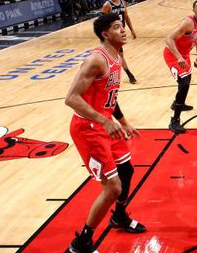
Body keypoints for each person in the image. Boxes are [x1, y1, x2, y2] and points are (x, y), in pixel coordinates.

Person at [65, 13, 145, 253]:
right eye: (117, 27)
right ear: (105, 34)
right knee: (113, 188)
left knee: (126, 170)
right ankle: (81, 243)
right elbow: (71, 98)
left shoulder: (116, 56)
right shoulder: (96, 60)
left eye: (122, 26)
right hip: (88, 128)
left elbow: (109, 94)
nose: (123, 30)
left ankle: (118, 216)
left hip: (106, 124)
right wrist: (103, 120)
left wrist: (123, 121)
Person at [163, 0, 197, 134]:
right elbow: (168, 39)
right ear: (193, 10)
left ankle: (177, 103)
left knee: (186, 83)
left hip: (184, 55)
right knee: (184, 84)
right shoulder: (188, 23)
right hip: (173, 55)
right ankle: (174, 121)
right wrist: (179, 57)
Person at [101, 0, 138, 84]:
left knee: (116, 55)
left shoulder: (123, 2)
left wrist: (132, 30)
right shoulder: (107, 5)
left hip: (120, 33)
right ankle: (129, 75)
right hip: (111, 34)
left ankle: (107, 74)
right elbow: (102, 21)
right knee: (118, 55)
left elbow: (126, 17)